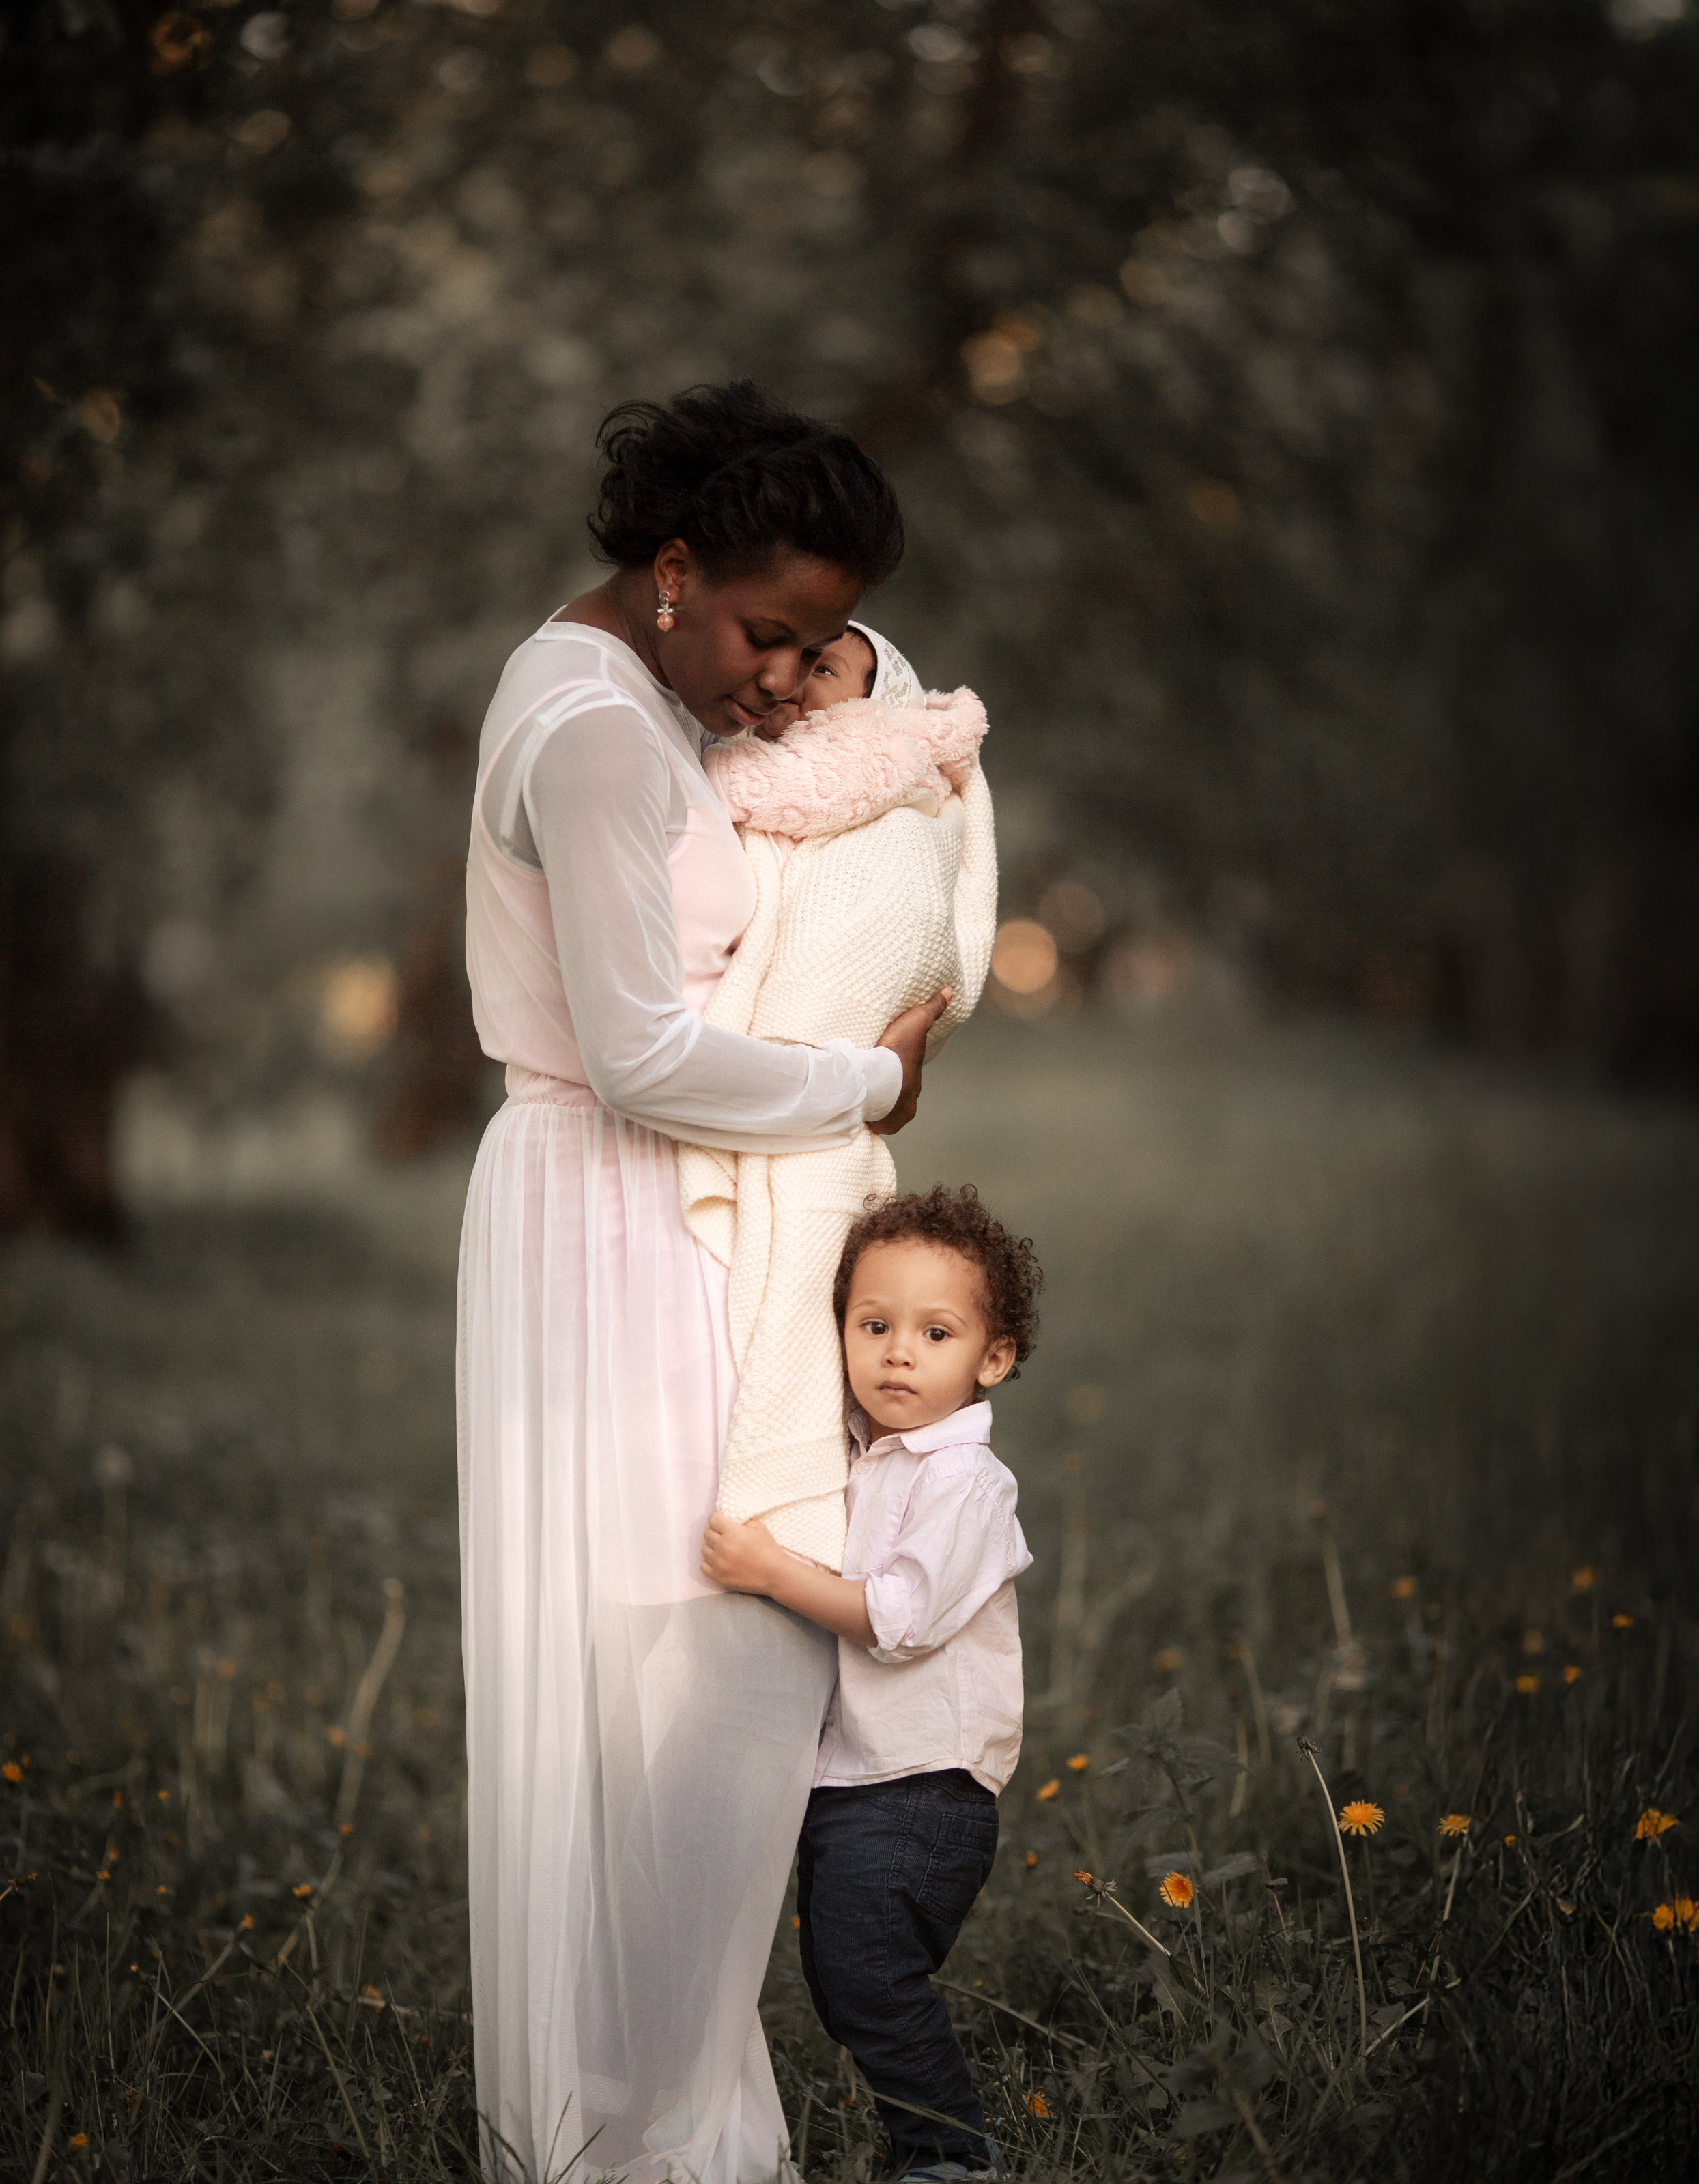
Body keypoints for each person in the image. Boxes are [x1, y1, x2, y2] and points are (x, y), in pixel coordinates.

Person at [457, 378, 948, 2184]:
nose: (785, 671)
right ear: (670, 571)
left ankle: (677, 2112)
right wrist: (868, 1081)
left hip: (677, 1205)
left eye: (811, 641)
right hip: (610, 1207)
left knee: (711, 1678)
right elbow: (644, 1052)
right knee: (687, 1665)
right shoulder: (587, 728)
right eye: (769, 629)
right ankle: (628, 2129)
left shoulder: (646, 699)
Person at [701, 1186, 1041, 2183]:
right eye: (873, 1324)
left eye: (935, 1333)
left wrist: (771, 1572)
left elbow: (896, 1619)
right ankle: (929, 2146)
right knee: (846, 1980)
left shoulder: (966, 1484)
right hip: (860, 1781)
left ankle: (952, 2155)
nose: (897, 1351)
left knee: (865, 1979)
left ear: (993, 1358)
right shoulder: (870, 1451)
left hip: (924, 1789)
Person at [678, 625, 995, 1570]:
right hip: (827, 1077)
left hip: (827, 1048)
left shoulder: (875, 752)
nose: (802, 687)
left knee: (804, 1265)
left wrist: (695, 779)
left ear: (878, 692)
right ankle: (795, 1505)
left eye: (827, 669)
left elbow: (915, 914)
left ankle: (790, 1513)